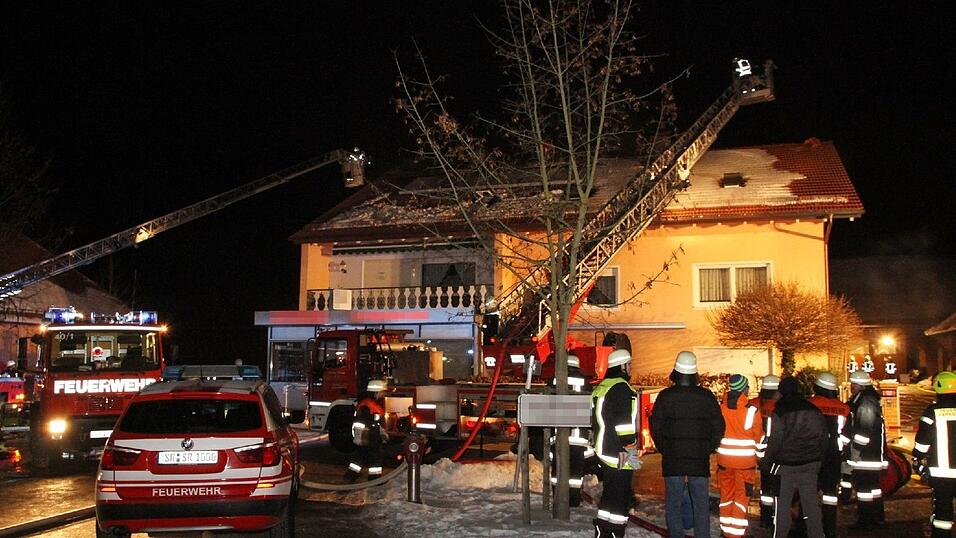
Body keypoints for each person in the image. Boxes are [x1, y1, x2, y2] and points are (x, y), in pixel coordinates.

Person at [650, 351, 725, 538]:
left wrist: (665, 448)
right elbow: (719, 427)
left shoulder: (665, 396)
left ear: (676, 370)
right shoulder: (706, 397)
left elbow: (655, 426)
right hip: (699, 460)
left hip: (673, 459)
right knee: (700, 503)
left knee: (673, 503)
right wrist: (707, 448)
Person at [762, 376, 829, 538]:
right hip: (811, 464)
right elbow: (823, 438)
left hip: (785, 466)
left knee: (782, 506)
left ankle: (780, 535)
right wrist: (820, 460)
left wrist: (766, 462)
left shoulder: (779, 411)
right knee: (811, 505)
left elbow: (775, 440)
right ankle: (817, 534)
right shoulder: (813, 409)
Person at [591, 348, 640, 538]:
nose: (630, 368)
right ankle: (615, 532)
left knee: (610, 491)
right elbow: (624, 423)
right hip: (619, 451)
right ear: (623, 366)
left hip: (603, 449)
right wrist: (631, 449)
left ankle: (602, 529)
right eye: (629, 365)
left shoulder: (603, 386)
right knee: (621, 495)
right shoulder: (621, 388)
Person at [716, 374, 762, 537]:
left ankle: (726, 531)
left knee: (726, 496)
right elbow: (759, 438)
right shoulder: (752, 411)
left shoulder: (720, 409)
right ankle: (735, 534)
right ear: (744, 389)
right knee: (741, 499)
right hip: (745, 465)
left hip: (724, 462)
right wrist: (761, 457)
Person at [912, 371, 956, 537]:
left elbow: (923, 441)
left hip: (942, 473)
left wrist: (917, 459)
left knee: (943, 511)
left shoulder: (932, 412)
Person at [842, 370, 887, 529]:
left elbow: (864, 430)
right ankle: (877, 518)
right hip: (872, 454)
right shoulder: (867, 399)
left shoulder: (865, 402)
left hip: (866, 456)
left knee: (864, 490)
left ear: (859, 385)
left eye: (853, 384)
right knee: (873, 489)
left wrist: (855, 450)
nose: (851, 387)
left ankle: (866, 521)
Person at [808, 371, 850, 538]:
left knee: (809, 491)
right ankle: (829, 527)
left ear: (817, 387)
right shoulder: (844, 408)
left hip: (812, 454)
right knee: (830, 493)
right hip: (833, 455)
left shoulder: (810, 404)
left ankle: (807, 525)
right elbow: (847, 436)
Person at [550, 355, 594, 508]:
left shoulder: (555, 380)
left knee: (558, 471)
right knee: (575, 473)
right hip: (579, 437)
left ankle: (557, 497)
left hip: (559, 435)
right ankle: (574, 500)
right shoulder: (586, 383)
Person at [750, 374, 781, 529]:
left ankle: (766, 518)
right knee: (778, 488)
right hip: (779, 455)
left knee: (766, 489)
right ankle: (778, 519)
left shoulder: (754, 404)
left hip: (761, 455)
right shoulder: (782, 405)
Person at [346, 379, 387, 482]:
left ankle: (350, 476)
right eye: (382, 392)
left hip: (366, 436)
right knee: (375, 457)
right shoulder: (368, 405)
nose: (383, 394)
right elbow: (367, 422)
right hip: (368, 436)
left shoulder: (368, 403)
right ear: (376, 392)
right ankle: (374, 479)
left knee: (361, 456)